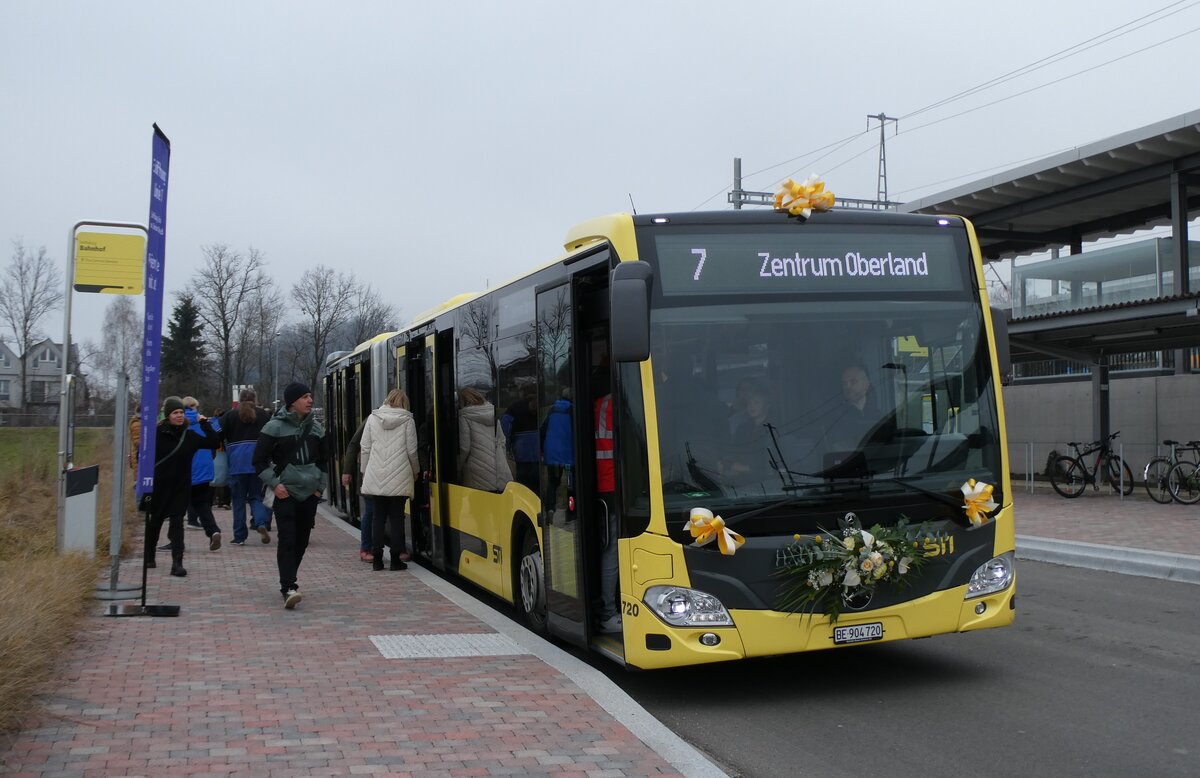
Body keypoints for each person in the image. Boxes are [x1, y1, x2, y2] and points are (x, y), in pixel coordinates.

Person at [254, 382, 328, 609]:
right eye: (305, 397)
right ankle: (288, 586)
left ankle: (289, 580)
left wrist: (319, 488)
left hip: (310, 494)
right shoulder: (273, 427)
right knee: (287, 539)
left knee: (301, 541)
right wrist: (275, 485)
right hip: (285, 493)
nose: (310, 400)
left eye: (309, 396)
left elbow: (325, 460)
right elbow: (258, 461)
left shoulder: (317, 428)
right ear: (292, 401)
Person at [146, 396, 218, 577]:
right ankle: (149, 555)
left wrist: (205, 424)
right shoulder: (156, 434)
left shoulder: (190, 435)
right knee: (155, 522)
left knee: (177, 524)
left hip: (180, 487)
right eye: (175, 413)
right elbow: (144, 456)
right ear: (167, 415)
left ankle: (177, 563)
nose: (179, 416)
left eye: (181, 412)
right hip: (160, 487)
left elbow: (214, 443)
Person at [360, 388, 419, 571]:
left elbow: (365, 448)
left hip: (376, 474)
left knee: (378, 518)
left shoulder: (372, 418)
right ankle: (395, 560)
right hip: (400, 476)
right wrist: (415, 471)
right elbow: (412, 451)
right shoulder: (408, 421)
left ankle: (377, 560)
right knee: (397, 519)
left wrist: (364, 471)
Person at [221, 389, 273, 546]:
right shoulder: (264, 415)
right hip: (258, 463)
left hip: (237, 463)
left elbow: (216, 434)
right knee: (256, 497)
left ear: (240, 399)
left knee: (238, 501)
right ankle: (261, 523)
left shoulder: (229, 416)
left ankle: (239, 536)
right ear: (255, 399)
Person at [594, 380, 621, 633]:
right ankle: (609, 613)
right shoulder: (621, 402)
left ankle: (609, 611)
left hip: (605, 485)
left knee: (610, 548)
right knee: (613, 550)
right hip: (617, 485)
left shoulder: (599, 405)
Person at [183, 397, 223, 551]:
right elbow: (215, 442)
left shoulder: (179, 422)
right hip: (205, 469)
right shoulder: (204, 422)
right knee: (202, 504)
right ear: (196, 407)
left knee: (178, 507)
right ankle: (213, 531)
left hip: (186, 469)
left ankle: (174, 540)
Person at [457, 387, 511, 491]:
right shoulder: (492, 412)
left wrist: (458, 466)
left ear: (463, 401)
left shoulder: (464, 416)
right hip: (496, 469)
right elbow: (501, 441)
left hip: (476, 471)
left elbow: (465, 447)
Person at [341, 416, 375, 562]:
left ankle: (396, 548)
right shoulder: (372, 419)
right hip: (370, 473)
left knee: (392, 512)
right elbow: (354, 444)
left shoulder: (406, 419)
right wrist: (347, 471)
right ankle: (366, 547)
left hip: (388, 474)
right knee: (371, 511)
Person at [540, 388, 573, 513]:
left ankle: (550, 509)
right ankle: (571, 511)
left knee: (553, 482)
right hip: (568, 455)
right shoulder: (572, 410)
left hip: (552, 454)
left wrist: (542, 450)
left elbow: (542, 430)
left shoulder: (552, 409)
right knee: (570, 482)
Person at [501, 385, 539, 491]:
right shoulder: (541, 405)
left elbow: (505, 428)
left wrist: (507, 448)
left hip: (521, 450)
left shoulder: (514, 407)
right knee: (536, 480)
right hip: (536, 450)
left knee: (523, 480)